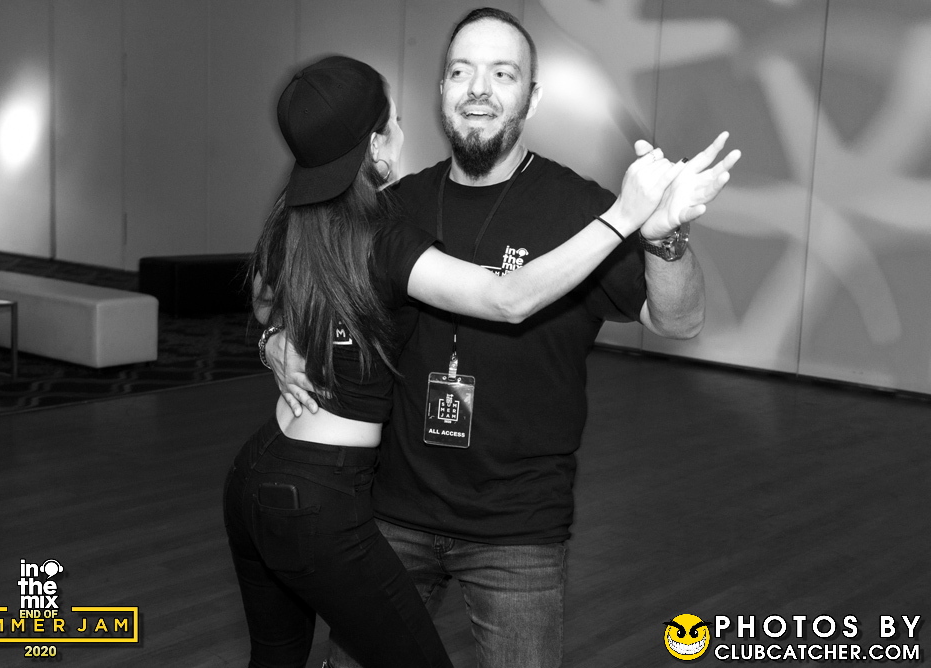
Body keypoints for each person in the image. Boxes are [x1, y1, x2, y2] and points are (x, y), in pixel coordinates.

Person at [266, 9, 741, 668]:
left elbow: (679, 321)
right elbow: (303, 286)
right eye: (461, 72)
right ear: (441, 90)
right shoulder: (395, 206)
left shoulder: (582, 210)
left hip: (518, 530)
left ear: (532, 98)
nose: (479, 90)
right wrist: (277, 337)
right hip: (392, 512)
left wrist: (663, 238)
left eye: (502, 74)